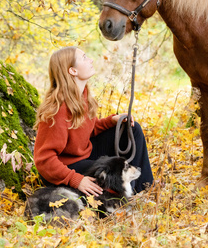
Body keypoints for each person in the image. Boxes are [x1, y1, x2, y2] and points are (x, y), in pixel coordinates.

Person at [33, 46, 153, 196]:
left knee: (132, 130)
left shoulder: (82, 95)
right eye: (84, 58)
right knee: (116, 176)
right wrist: (76, 179)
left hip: (84, 154)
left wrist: (112, 121)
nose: (90, 60)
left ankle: (146, 188)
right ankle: (131, 190)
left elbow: (88, 129)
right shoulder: (56, 110)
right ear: (73, 71)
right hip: (64, 167)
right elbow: (44, 160)